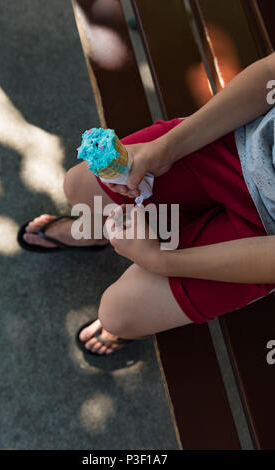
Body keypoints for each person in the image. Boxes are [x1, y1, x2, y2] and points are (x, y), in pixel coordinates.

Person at [18, 52, 275, 356]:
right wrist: (166, 148)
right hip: (240, 141)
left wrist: (162, 261)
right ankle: (100, 231)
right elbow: (270, 74)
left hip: (263, 234)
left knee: (117, 313)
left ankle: (126, 235)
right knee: (80, 185)